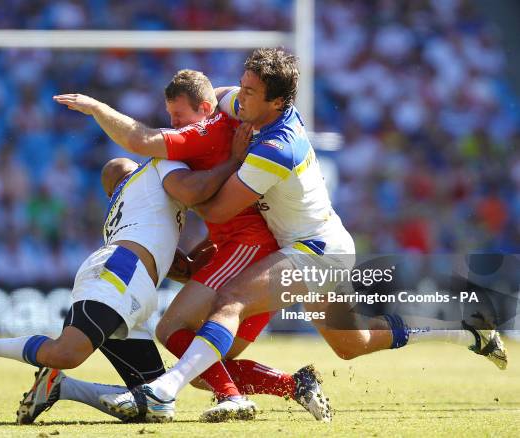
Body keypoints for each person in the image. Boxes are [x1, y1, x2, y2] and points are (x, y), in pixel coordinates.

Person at [99, 48, 508, 422]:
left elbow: (218, 207)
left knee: (231, 302)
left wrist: (179, 184)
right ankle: (460, 327)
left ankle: (165, 390)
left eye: (250, 92)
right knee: (354, 343)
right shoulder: (244, 105)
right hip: (315, 245)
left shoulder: (277, 147)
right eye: (241, 85)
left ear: (277, 102)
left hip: (317, 251)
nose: (239, 97)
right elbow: (213, 102)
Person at [53, 69, 331, 423]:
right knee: (204, 362)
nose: (173, 124)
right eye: (170, 116)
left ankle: (232, 399)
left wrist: (96, 108)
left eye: (178, 116)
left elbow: (143, 143)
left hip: (248, 248)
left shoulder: (206, 131)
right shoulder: (225, 118)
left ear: (202, 109)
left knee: (171, 330)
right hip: (241, 248)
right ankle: (295, 385)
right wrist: (199, 252)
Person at [0, 149, 244, 424]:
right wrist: (234, 159)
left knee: (154, 402)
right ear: (125, 181)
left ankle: (63, 388)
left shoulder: (139, 212)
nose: (131, 165)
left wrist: (216, 249)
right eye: (128, 168)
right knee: (66, 352)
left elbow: (182, 269)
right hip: (120, 273)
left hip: (133, 288)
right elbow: (198, 189)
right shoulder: (149, 175)